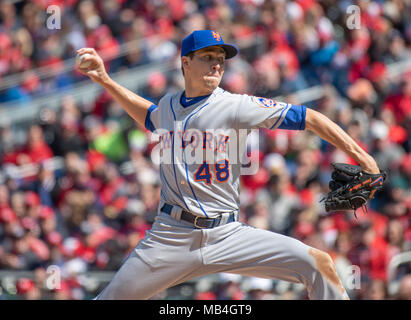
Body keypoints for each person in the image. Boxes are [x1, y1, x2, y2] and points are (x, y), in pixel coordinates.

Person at [76, 30, 381, 300]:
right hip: (170, 236)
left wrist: (364, 157)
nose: (217, 64)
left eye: (221, 59)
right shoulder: (168, 105)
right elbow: (149, 115)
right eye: (208, 57)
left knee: (318, 264)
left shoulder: (234, 105)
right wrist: (104, 79)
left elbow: (310, 118)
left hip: (227, 234)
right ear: (186, 63)